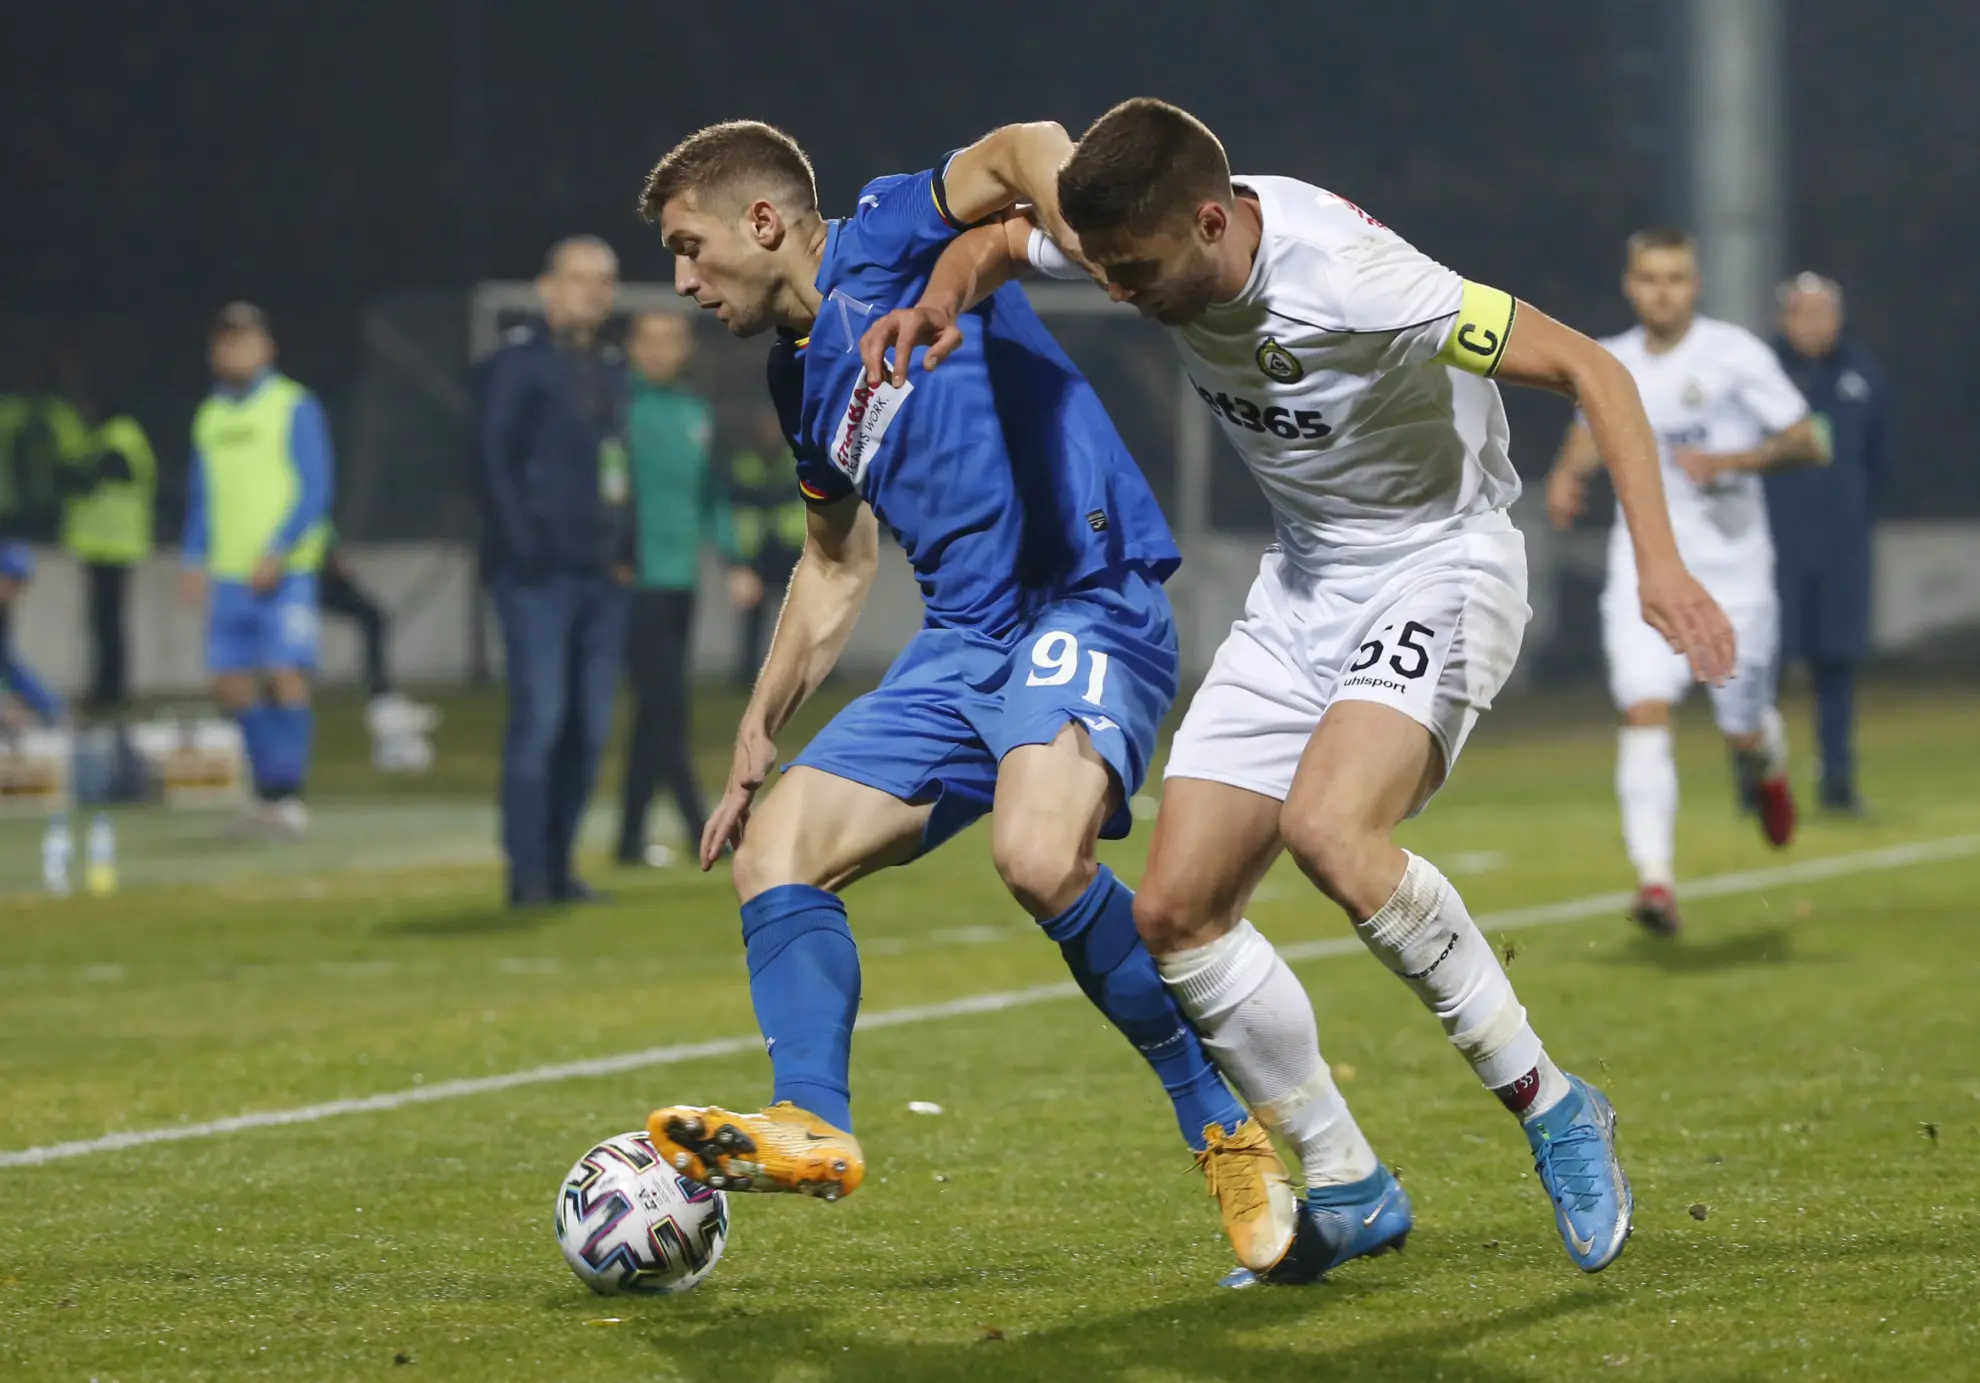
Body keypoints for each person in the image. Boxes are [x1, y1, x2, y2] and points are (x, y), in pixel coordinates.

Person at [865, 98, 1738, 1278]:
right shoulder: (1132, 227)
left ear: (1211, 223)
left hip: (1442, 563)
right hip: (1303, 587)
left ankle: (1553, 1104)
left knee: (1332, 829)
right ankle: (1348, 1183)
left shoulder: (1356, 279)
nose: (1118, 290)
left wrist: (1662, 566)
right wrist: (939, 299)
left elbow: (1594, 369)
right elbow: (999, 242)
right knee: (1176, 912)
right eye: (1105, 268)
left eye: (1135, 271)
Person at [634, 120, 1301, 1282]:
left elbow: (1027, 145)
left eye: (690, 249)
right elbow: (835, 562)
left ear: (763, 222)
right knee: (776, 850)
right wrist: (757, 727)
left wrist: (1083, 238)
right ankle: (811, 1119)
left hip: (1082, 603)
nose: (684, 283)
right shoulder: (798, 378)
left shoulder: (887, 233)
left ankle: (1222, 1127)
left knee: (1037, 857)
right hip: (959, 648)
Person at [1547, 230, 1829, 934]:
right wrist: (1567, 475)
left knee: (1741, 725)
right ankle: (1656, 882)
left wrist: (1734, 460)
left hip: (1734, 576)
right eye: (1650, 278)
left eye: (1675, 278)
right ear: (1630, 285)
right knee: (1643, 708)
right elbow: (1590, 428)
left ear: (1694, 285)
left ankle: (1764, 765)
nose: (1663, 292)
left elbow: (1811, 440)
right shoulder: (1609, 360)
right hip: (1645, 567)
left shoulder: (1735, 355)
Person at [475, 236, 631, 906]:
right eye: (579, 278)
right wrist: (524, 548)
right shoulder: (517, 363)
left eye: (603, 279)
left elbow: (620, 466)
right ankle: (528, 872)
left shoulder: (611, 367)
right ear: (548, 287)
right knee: (541, 718)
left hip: (601, 575)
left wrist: (624, 550)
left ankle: (561, 863)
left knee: (588, 728)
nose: (592, 291)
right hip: (537, 577)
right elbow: (492, 459)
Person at [180, 303, 333, 835]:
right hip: (230, 573)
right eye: (225, 342)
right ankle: (268, 790)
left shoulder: (293, 405)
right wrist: (193, 556)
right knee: (231, 683)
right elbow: (202, 495)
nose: (235, 351)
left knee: (287, 672)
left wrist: (279, 548)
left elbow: (315, 488)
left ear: (267, 347)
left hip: (285, 571)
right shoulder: (210, 416)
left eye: (244, 340)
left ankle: (290, 793)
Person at [616, 311, 759, 867]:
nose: (659, 350)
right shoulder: (617, 410)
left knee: (654, 714)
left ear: (686, 350)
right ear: (632, 347)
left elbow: (712, 497)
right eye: (649, 340)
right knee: (668, 709)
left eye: (670, 340)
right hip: (634, 583)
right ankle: (701, 825)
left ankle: (629, 839)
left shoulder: (695, 414)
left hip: (681, 581)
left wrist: (735, 562)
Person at [1768, 273, 1886, 815]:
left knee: (1837, 664)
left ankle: (1837, 782)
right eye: (1803, 313)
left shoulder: (1862, 375)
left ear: (1838, 319)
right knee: (1760, 668)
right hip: (1773, 545)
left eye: (1823, 314)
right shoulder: (1760, 372)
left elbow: (1878, 459)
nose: (1814, 325)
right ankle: (1760, 784)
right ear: (1785, 320)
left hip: (1840, 548)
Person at [59, 377, 157, 712]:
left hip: (115, 546)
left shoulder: (120, 439)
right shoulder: (107, 438)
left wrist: (65, 472)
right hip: (103, 546)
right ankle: (106, 687)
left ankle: (110, 690)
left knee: (108, 623)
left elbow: (89, 478)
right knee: (103, 622)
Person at [727, 404, 806, 685]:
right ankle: (748, 673)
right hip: (757, 548)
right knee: (753, 616)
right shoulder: (745, 462)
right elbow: (739, 497)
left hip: (791, 547)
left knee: (800, 615)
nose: (770, 431)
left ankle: (805, 672)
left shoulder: (795, 459)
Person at [0, 542, 65, 727]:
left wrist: (50, 704)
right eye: (12, 582)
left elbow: (6, 663)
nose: (16, 592)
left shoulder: (4, 610)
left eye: (21, 585)